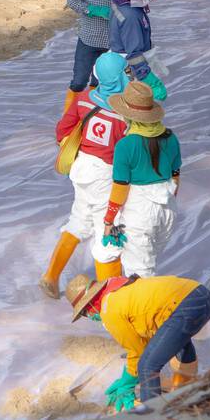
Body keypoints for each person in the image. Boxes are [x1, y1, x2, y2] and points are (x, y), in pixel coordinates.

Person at [40, 51, 130, 298]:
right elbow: (127, 153)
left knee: (79, 220)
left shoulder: (82, 99)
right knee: (108, 229)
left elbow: (62, 131)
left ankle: (51, 275)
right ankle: (112, 299)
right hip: (106, 174)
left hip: (81, 168)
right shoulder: (125, 113)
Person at [66, 273, 210, 411]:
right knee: (178, 340)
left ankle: (151, 418)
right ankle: (186, 387)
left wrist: (128, 382)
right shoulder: (119, 287)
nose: (89, 317)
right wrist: (128, 376)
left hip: (188, 307)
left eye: (84, 313)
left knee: (147, 365)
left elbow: (138, 351)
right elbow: (148, 336)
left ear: (89, 305)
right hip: (202, 295)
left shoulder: (109, 310)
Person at [102, 81, 181, 277]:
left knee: (139, 273)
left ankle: (145, 306)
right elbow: (176, 176)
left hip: (140, 210)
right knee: (150, 260)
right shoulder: (171, 138)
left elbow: (120, 187)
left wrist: (108, 220)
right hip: (167, 207)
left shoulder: (125, 145)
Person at [63, 0, 126, 114]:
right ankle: (70, 116)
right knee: (79, 80)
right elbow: (72, 0)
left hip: (113, 38)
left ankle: (93, 114)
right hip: (88, 38)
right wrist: (92, 9)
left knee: (101, 81)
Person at [108, 0, 168, 101]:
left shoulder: (122, 4)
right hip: (131, 72)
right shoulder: (131, 16)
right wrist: (151, 82)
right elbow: (134, 54)